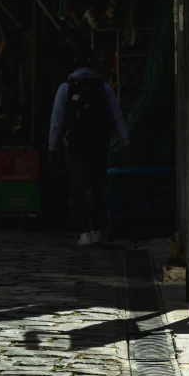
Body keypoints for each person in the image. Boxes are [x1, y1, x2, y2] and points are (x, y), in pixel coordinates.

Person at [48, 51, 130, 246]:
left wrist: (52, 150)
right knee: (98, 187)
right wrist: (126, 143)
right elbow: (116, 116)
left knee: (78, 187)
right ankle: (97, 229)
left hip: (74, 145)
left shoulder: (65, 88)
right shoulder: (103, 88)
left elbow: (57, 122)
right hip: (98, 144)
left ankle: (84, 232)